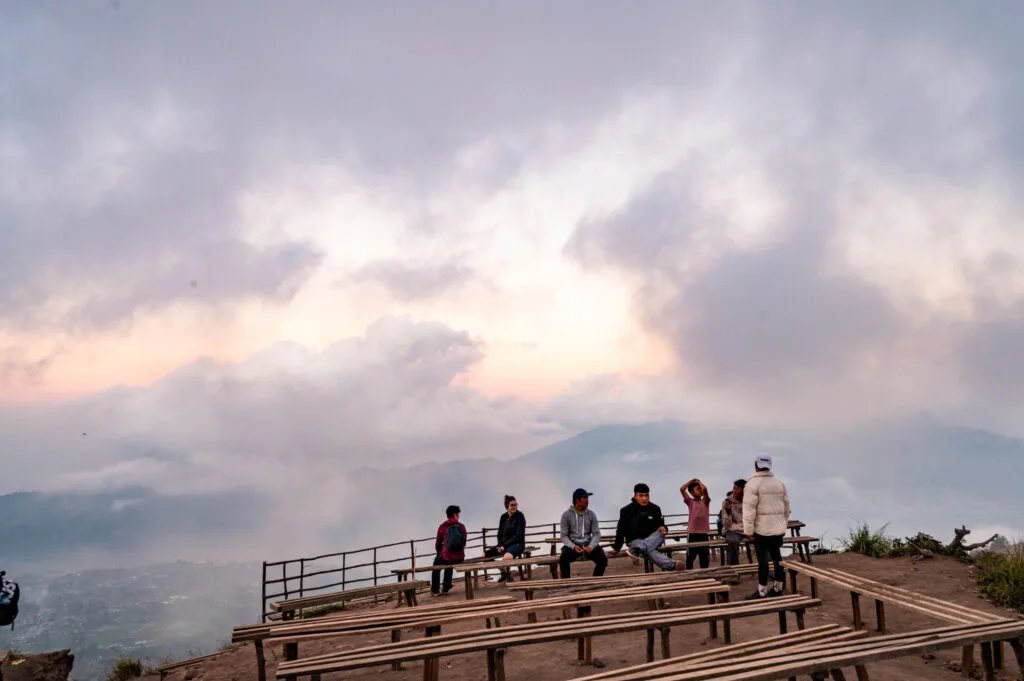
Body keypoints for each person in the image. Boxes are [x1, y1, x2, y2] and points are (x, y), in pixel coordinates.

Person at [743, 453, 791, 599]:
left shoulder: (752, 484)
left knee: (763, 561)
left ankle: (762, 590)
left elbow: (749, 510)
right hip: (777, 529)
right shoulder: (779, 483)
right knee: (777, 559)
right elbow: (786, 507)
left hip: (761, 530)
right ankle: (778, 587)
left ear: (756, 466)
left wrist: (748, 531)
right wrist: (783, 525)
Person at [610, 483, 685, 571]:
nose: (644, 498)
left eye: (646, 495)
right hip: (635, 541)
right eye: (641, 496)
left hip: (653, 540)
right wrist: (617, 548)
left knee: (659, 534)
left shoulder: (655, 509)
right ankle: (673, 565)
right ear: (635, 496)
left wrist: (663, 528)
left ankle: (636, 550)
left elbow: (662, 525)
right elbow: (621, 530)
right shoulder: (626, 510)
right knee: (650, 551)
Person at [559, 488, 607, 578]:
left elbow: (596, 534)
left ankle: (595, 582)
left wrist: (591, 546)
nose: (587, 500)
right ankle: (565, 584)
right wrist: (573, 546)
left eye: (587, 498)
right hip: (573, 545)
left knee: (603, 559)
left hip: (588, 544)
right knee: (563, 558)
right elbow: (564, 536)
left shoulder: (591, 514)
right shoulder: (566, 515)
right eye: (585, 498)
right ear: (577, 500)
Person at [484, 495, 527, 582]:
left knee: (507, 557)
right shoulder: (503, 517)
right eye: (512, 505)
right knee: (484, 556)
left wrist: (504, 546)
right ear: (506, 506)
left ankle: (508, 576)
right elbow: (499, 533)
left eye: (515, 504)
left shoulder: (520, 516)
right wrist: (500, 545)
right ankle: (504, 571)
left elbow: (519, 535)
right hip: (504, 544)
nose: (514, 507)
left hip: (517, 544)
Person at [432, 504, 468, 596]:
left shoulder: (442, 527)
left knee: (437, 563)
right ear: (455, 514)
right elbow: (464, 542)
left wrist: (440, 553)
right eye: (458, 514)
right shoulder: (462, 526)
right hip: (460, 557)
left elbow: (437, 544)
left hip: (447, 556)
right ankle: (446, 587)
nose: (459, 516)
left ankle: (435, 590)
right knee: (450, 560)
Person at [680, 478, 712, 569]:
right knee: (690, 557)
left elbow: (705, 489)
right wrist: (691, 481)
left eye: (700, 488)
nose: (700, 490)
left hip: (703, 534)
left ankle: (705, 575)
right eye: (698, 489)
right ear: (691, 492)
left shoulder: (705, 502)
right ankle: (690, 574)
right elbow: (682, 489)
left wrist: (699, 482)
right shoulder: (690, 502)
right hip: (692, 534)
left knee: (704, 557)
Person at [721, 479, 747, 566]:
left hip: (748, 528)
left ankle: (770, 570)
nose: (734, 491)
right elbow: (727, 524)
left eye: (736, 489)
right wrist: (728, 512)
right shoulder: (727, 502)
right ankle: (734, 572)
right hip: (733, 529)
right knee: (732, 542)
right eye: (733, 489)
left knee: (765, 540)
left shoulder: (750, 501)